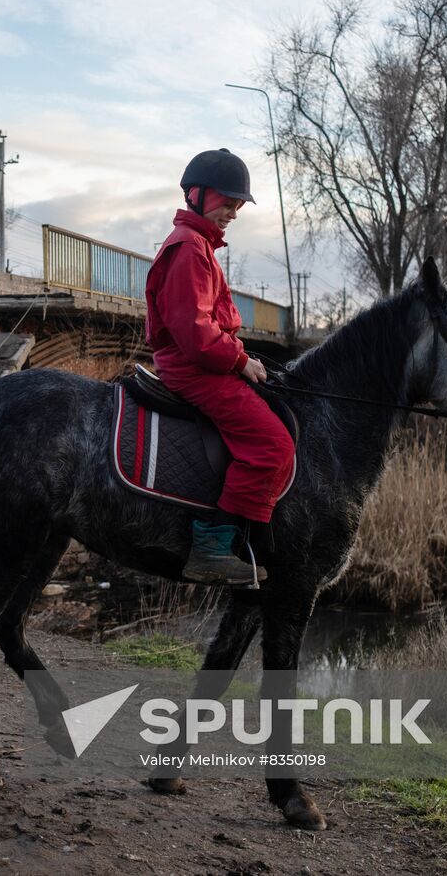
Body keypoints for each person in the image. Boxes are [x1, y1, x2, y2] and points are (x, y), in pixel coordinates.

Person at [144, 148, 295, 584]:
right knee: (274, 446)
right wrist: (240, 360)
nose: (234, 212)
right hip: (194, 367)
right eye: (228, 202)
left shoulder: (200, 246)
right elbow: (195, 333)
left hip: (205, 361)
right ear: (197, 194)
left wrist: (244, 356)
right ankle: (211, 546)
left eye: (237, 205)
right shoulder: (189, 248)